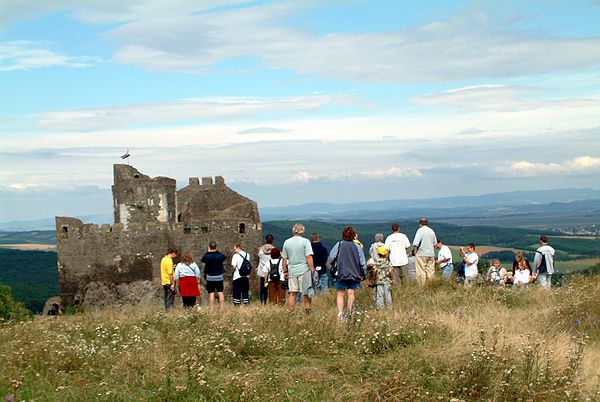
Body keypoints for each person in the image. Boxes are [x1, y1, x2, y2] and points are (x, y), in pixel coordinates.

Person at [329, 226, 366, 318]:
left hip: (341, 272)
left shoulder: (339, 245)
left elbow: (331, 258)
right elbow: (362, 262)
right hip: (354, 273)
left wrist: (335, 265)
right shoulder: (357, 247)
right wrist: (363, 274)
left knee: (340, 293)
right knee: (351, 293)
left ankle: (340, 314)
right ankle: (349, 312)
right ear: (353, 235)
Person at [281, 223, 315, 312]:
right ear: (302, 231)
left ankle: (290, 311)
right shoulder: (305, 241)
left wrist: (285, 271)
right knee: (306, 293)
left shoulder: (287, 242)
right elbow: (308, 256)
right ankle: (307, 311)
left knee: (292, 293)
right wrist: (312, 269)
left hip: (292, 271)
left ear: (293, 231)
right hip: (304, 271)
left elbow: (284, 259)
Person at [201, 241, 227, 310]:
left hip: (210, 277)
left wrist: (208, 252)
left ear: (209, 247)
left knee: (211, 293)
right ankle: (222, 308)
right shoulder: (220, 256)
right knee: (220, 292)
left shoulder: (207, 256)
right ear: (216, 247)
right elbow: (224, 257)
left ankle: (212, 308)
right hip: (219, 276)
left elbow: (202, 260)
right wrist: (216, 251)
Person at [412, 218, 438, 286]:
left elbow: (416, 243)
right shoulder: (431, 231)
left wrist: (415, 251)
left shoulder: (420, 230)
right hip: (431, 253)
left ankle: (422, 286)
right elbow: (435, 243)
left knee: (421, 271)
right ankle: (431, 285)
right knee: (431, 271)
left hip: (421, 253)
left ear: (420, 224)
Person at [257, 234, 275, 305]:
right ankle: (270, 300)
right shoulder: (274, 250)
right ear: (273, 241)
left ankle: (262, 301)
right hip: (271, 272)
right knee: (270, 286)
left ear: (265, 240)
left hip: (262, 272)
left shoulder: (261, 250)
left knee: (263, 286)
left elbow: (258, 257)